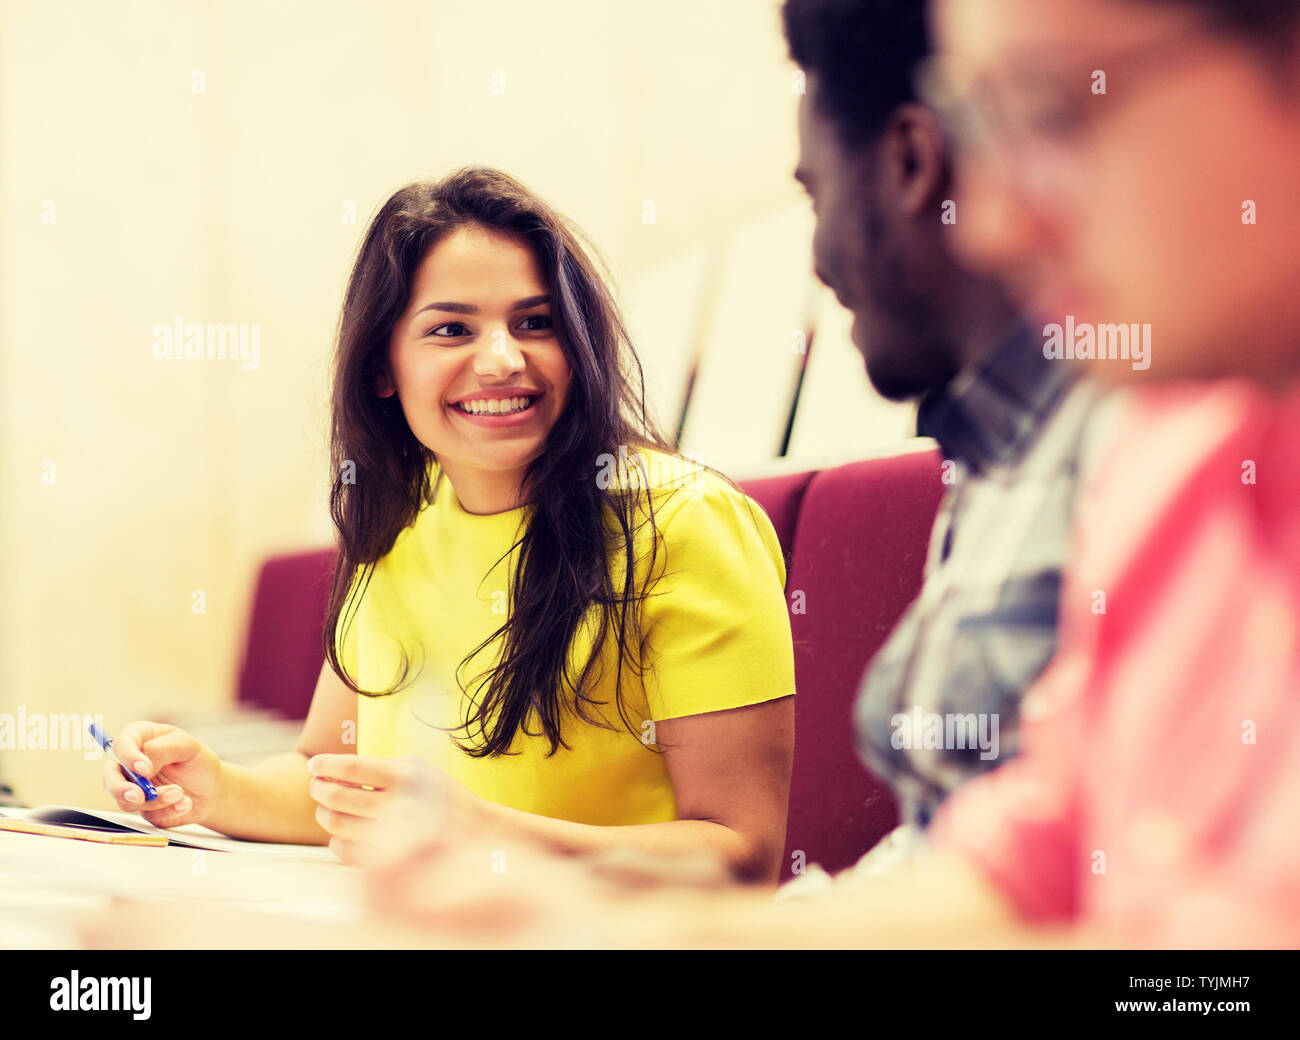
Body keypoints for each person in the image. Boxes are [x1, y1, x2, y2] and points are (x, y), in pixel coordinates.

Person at [360, 0, 1300, 946]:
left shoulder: (1133, 435)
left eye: (1054, 110)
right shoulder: (1175, 452)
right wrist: (616, 932)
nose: (993, 222)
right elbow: (1030, 859)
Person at [99, 168, 797, 884]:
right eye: (452, 329)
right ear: (383, 369)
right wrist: (218, 787)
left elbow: (741, 856)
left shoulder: (690, 523)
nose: (502, 359)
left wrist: (477, 831)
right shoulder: (395, 525)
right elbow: (329, 780)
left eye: (536, 322)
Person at [778, 0, 1114, 894]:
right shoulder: (992, 448)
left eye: (816, 193)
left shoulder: (1137, 433)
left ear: (910, 161)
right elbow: (971, 858)